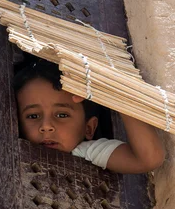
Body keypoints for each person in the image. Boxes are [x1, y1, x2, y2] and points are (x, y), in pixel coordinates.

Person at [13, 59, 165, 174]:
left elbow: (148, 159)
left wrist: (117, 94)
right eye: (33, 116)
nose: (46, 126)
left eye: (62, 114)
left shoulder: (85, 152)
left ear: (89, 128)